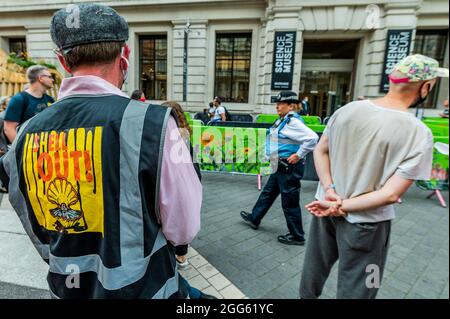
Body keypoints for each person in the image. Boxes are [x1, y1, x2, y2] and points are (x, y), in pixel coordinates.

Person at [0, 3, 202, 299]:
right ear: (125, 56)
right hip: (147, 287)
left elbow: (29, 217)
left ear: (63, 62)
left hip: (66, 287)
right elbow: (184, 228)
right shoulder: (155, 124)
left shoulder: (25, 134)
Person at [300, 54, 448, 299]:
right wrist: (341, 206)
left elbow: (320, 150)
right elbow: (391, 194)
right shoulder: (418, 133)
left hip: (323, 207)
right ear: (426, 86)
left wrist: (329, 190)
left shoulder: (347, 110)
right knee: (366, 283)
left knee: (313, 268)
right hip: (368, 222)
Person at [240, 91, 318, 245]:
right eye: (277, 103)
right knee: (268, 193)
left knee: (290, 201)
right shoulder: (283, 120)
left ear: (291, 106)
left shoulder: (293, 122)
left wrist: (299, 155)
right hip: (280, 165)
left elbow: (312, 138)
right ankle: (255, 218)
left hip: (288, 167)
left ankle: (297, 236)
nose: (277, 106)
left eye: (281, 103)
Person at [161, 101, 200, 269]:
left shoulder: (173, 135)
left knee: (174, 216)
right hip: (190, 180)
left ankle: (179, 256)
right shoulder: (184, 133)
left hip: (177, 181)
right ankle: (181, 255)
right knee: (183, 215)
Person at [3, 65, 54, 143]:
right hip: (27, 150)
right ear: (40, 78)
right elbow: (9, 129)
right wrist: (21, 150)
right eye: (49, 77)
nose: (52, 79)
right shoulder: (18, 99)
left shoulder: (50, 99)